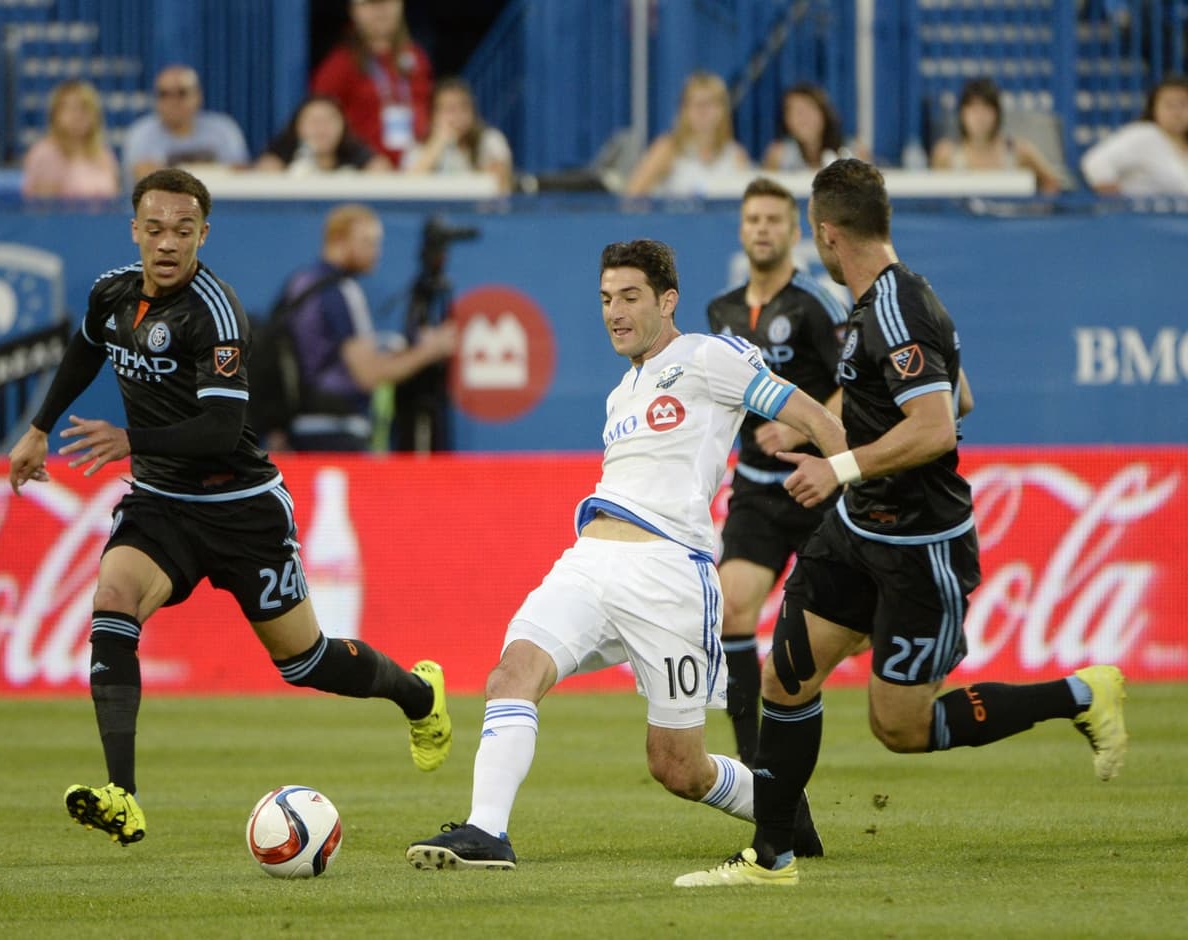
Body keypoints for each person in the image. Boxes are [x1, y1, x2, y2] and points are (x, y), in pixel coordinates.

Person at [675, 159, 1128, 889]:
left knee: (901, 728)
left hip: (922, 546)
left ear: (825, 233)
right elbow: (964, 396)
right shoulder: (874, 304)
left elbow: (941, 427)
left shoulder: (897, 308)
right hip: (858, 532)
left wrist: (840, 464)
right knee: (787, 679)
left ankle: (1079, 695)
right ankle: (771, 857)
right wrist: (822, 429)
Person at [6, 168, 453, 847]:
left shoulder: (216, 313)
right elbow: (86, 347)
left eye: (182, 231)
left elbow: (217, 432)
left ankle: (419, 696)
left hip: (242, 508)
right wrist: (40, 427)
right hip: (161, 505)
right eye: (154, 228)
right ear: (135, 230)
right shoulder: (112, 294)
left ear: (202, 235)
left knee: (304, 663)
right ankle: (121, 794)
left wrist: (129, 439)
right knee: (114, 599)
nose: (167, 243)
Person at [405, 238, 846, 871]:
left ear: (668, 301)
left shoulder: (709, 355)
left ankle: (780, 807)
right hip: (588, 562)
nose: (615, 311)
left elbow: (812, 412)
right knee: (511, 674)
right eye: (607, 299)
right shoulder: (622, 392)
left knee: (677, 767)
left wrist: (844, 474)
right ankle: (486, 832)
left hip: (668, 575)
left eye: (631, 296)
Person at [706, 177, 847, 769]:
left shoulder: (817, 305)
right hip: (756, 491)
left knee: (815, 635)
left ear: (795, 233)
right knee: (733, 612)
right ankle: (754, 765)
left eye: (773, 220)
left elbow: (856, 387)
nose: (762, 229)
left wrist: (800, 427)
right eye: (753, 220)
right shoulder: (722, 310)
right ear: (742, 231)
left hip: (816, 489)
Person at [269, 203, 456, 453]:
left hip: (296, 431)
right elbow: (367, 375)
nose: (376, 251)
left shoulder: (298, 284)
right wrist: (429, 351)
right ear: (338, 239)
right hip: (339, 433)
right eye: (368, 241)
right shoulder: (344, 291)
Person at [309, 0, 433, 167]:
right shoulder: (339, 65)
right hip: (363, 174)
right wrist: (362, 159)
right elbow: (318, 125)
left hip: (417, 169)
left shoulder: (417, 57)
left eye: (386, 2)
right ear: (354, 10)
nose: (380, 11)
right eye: (370, 3)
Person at [626, 71, 752, 196]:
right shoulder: (667, 149)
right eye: (696, 104)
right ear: (684, 110)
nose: (703, 111)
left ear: (723, 109)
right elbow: (632, 196)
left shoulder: (736, 155)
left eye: (710, 103)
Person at [930, 77, 1062, 193]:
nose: (979, 117)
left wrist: (1036, 212)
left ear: (997, 114)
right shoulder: (945, 154)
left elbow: (1052, 183)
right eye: (973, 108)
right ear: (962, 114)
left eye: (986, 108)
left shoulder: (1021, 151)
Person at [121, 65, 248, 185]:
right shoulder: (141, 134)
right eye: (164, 94)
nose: (173, 101)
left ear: (198, 96)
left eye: (182, 93)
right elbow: (144, 177)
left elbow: (240, 173)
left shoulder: (223, 130)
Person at [1080, 74, 1188, 196]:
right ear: (1153, 108)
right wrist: (1117, 203)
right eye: (1169, 105)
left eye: (1183, 104)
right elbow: (1095, 163)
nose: (1177, 112)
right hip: (1143, 214)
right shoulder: (1143, 135)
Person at [403, 77, 513, 194]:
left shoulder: (490, 139)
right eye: (450, 109)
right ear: (434, 114)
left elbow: (499, 187)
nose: (458, 115)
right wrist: (438, 142)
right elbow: (409, 187)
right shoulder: (419, 146)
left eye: (464, 107)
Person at [21, 79, 120, 200]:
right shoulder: (44, 154)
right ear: (55, 115)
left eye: (84, 108)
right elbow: (41, 208)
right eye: (69, 108)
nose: (77, 115)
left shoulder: (103, 154)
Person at [254, 94, 392, 175]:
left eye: (329, 120)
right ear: (296, 126)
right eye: (314, 121)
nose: (321, 128)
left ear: (343, 126)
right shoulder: (281, 153)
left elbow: (380, 169)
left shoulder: (356, 152)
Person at [761, 82, 857, 173]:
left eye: (809, 109)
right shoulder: (778, 156)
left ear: (824, 113)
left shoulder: (854, 153)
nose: (803, 118)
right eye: (796, 112)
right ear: (786, 120)